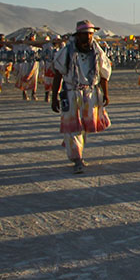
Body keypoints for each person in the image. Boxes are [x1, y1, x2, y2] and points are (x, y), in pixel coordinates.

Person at [50, 21, 112, 174]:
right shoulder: (66, 52)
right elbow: (58, 75)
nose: (89, 36)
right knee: (73, 127)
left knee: (83, 127)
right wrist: (54, 97)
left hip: (90, 94)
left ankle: (75, 149)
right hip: (71, 93)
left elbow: (104, 75)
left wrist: (105, 94)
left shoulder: (98, 52)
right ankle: (77, 158)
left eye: (91, 34)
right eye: (86, 34)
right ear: (78, 35)